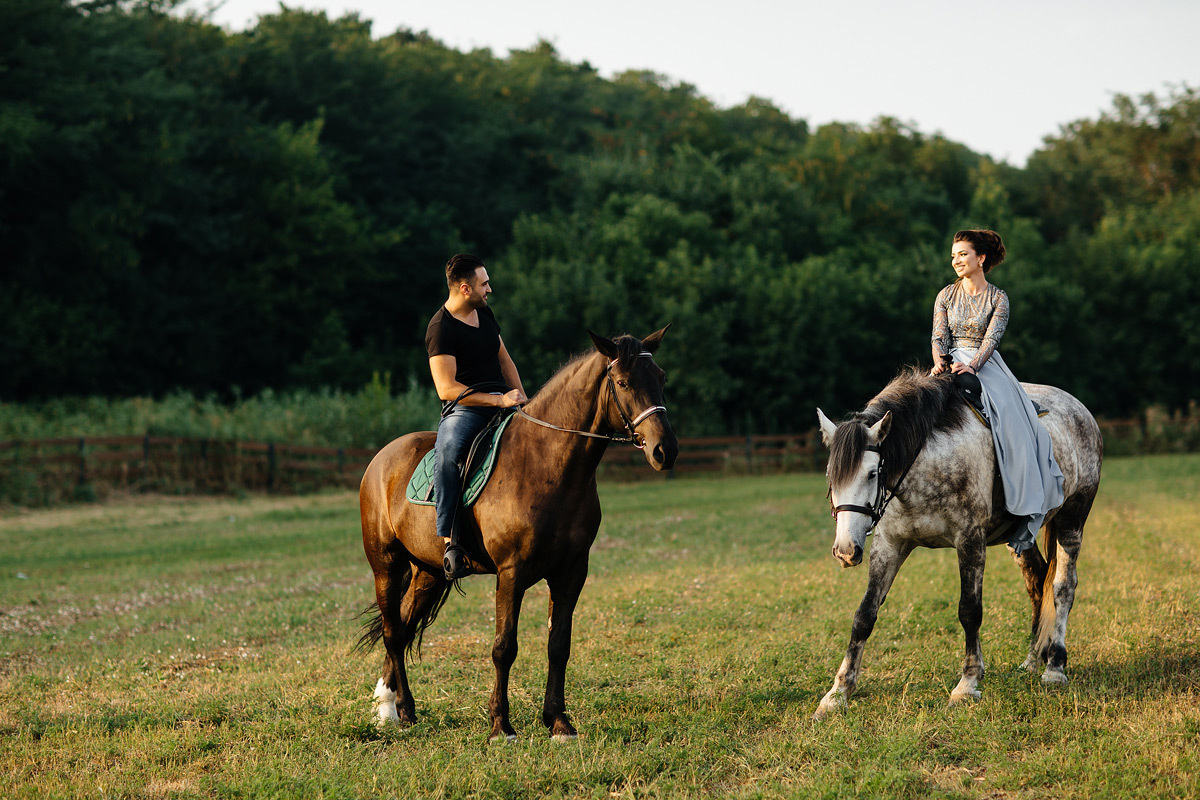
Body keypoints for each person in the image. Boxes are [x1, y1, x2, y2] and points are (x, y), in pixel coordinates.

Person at [929, 229, 1065, 554]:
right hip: (949, 362)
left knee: (1011, 419)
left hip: (984, 365)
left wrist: (972, 366)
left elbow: (991, 339)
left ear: (981, 258)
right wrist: (940, 361)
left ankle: (1018, 498)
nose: (956, 261)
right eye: (953, 256)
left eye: (963, 254)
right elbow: (938, 335)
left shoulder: (998, 298)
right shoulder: (945, 295)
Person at [426, 254, 527, 579]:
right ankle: (450, 540)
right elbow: (446, 388)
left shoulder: (483, 312)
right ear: (465, 288)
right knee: (447, 453)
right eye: (484, 284)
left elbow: (504, 359)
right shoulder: (441, 328)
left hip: (503, 399)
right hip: (465, 409)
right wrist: (497, 401)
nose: (490, 289)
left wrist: (522, 398)